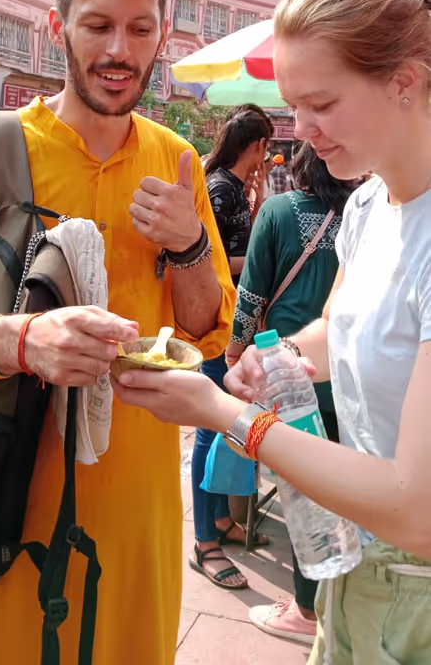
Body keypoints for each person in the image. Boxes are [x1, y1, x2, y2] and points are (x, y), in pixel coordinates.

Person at [114, 0, 431, 665]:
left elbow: (416, 507)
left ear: (403, 82)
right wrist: (283, 354)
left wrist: (227, 416)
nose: (301, 131)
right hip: (356, 572)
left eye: (320, 103)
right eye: (293, 105)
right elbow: (338, 325)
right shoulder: (373, 204)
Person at [0, 0, 235, 665]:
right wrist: (22, 341)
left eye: (139, 28)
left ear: (160, 36)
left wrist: (185, 245)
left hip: (137, 501)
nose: (119, 51)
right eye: (97, 25)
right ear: (58, 25)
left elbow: (206, 331)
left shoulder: (177, 160)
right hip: (5, 491)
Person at [226, 141, 355, 644]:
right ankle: (336, 601)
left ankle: (305, 610)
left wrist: (236, 354)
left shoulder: (278, 211)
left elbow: (252, 295)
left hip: (288, 375)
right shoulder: (361, 215)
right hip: (345, 377)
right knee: (342, 491)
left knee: (306, 495)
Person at [190, 105, 273, 589]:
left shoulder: (234, 188)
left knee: (227, 425)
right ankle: (204, 542)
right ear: (259, 146)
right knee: (210, 426)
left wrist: (259, 208)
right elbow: (215, 261)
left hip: (232, 323)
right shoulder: (219, 187)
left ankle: (220, 519)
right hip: (219, 327)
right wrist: (260, 261)